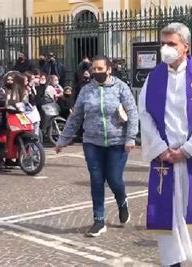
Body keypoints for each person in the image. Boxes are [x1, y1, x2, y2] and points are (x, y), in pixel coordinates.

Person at [139, 22, 192, 267]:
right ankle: (172, 261)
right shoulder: (154, 77)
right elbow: (144, 114)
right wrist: (160, 148)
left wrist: (186, 150)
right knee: (169, 212)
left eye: (171, 44)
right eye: (163, 44)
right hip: (164, 156)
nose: (166, 49)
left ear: (185, 47)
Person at [55, 55, 139, 237]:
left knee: (114, 179)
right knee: (96, 180)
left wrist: (131, 137)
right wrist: (63, 139)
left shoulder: (120, 88)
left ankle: (122, 201)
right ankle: (99, 220)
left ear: (109, 69)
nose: (96, 72)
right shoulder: (86, 90)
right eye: (94, 69)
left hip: (117, 142)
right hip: (92, 142)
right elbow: (76, 116)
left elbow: (132, 112)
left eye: (100, 69)